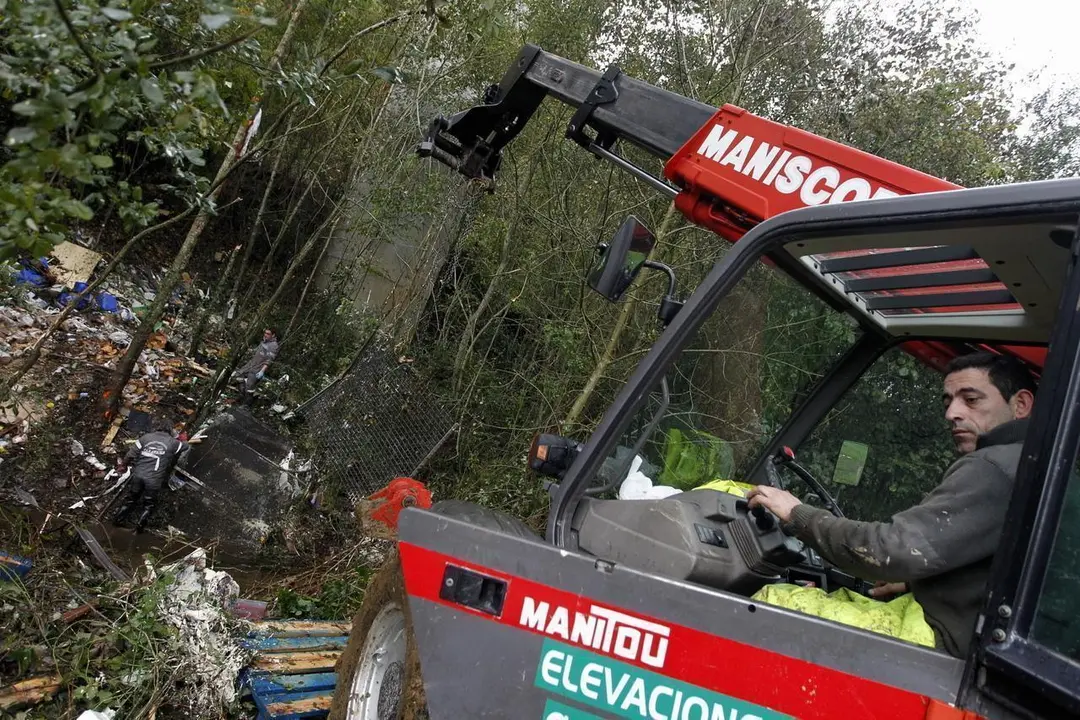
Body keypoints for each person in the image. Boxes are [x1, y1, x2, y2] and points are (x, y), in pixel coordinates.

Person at [748, 351, 1037, 658]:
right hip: (969, 638)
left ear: (1020, 404)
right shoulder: (1032, 467)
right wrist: (919, 585)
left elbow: (891, 550)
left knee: (771, 603)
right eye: (948, 401)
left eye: (971, 399)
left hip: (942, 648)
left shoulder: (994, 466)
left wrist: (797, 514)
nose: (952, 412)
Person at [113, 421, 190, 532]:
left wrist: (123, 466)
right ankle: (138, 530)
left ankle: (116, 522)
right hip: (154, 479)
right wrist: (181, 437)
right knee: (149, 505)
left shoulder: (146, 438)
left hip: (138, 475)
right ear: (170, 431)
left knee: (130, 500)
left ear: (156, 429)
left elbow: (130, 454)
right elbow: (186, 446)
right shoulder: (173, 443)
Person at [236, 327, 280, 404]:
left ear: (273, 335)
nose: (265, 335)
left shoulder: (273, 346)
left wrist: (262, 371)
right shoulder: (264, 342)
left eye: (268, 334)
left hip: (258, 368)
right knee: (238, 376)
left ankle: (246, 406)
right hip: (250, 365)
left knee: (249, 387)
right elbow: (257, 351)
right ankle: (241, 397)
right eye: (265, 333)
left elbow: (269, 360)